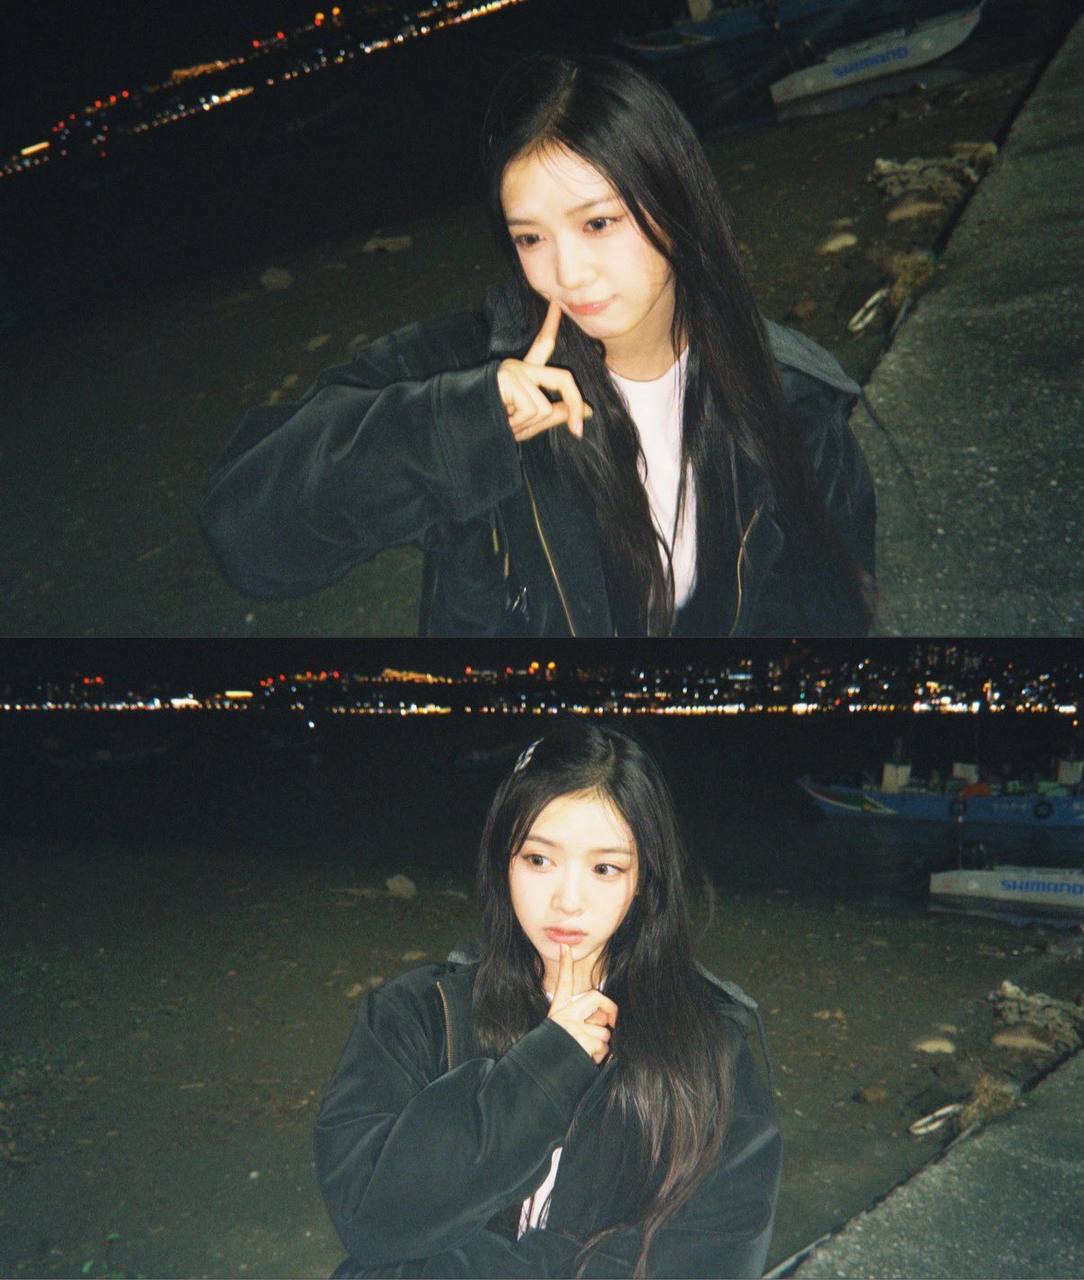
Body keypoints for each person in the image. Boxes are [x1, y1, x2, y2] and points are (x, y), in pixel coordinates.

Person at [201, 53, 875, 636]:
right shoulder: (467, 370)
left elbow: (831, 615)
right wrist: (461, 424)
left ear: (676, 202)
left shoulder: (791, 397)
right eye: (531, 237)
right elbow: (248, 540)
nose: (567, 273)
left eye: (598, 223)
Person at [314, 722, 781, 1278]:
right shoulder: (417, 1015)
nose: (568, 900)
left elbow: (715, 1253)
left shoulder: (706, 1047)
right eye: (539, 860)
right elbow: (372, 1219)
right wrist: (544, 1069)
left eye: (604, 868)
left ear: (643, 880)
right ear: (504, 860)